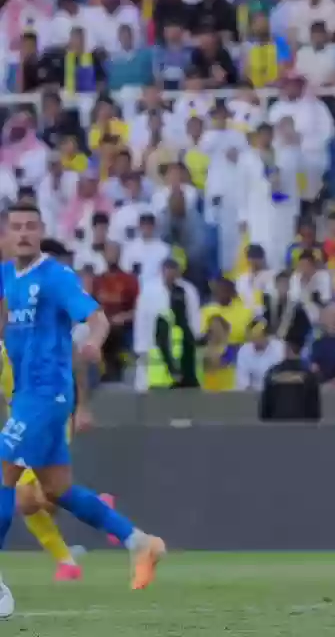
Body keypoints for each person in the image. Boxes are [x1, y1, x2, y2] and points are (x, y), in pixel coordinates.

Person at [0, 205, 166, 615]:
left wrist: (94, 339)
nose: (23, 233)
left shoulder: (55, 277)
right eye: (16, 227)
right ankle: (139, 542)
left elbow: (96, 318)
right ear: (7, 233)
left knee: (3, 474)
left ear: (41, 231)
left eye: (31, 227)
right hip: (25, 395)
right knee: (57, 489)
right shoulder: (6, 276)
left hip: (48, 395)